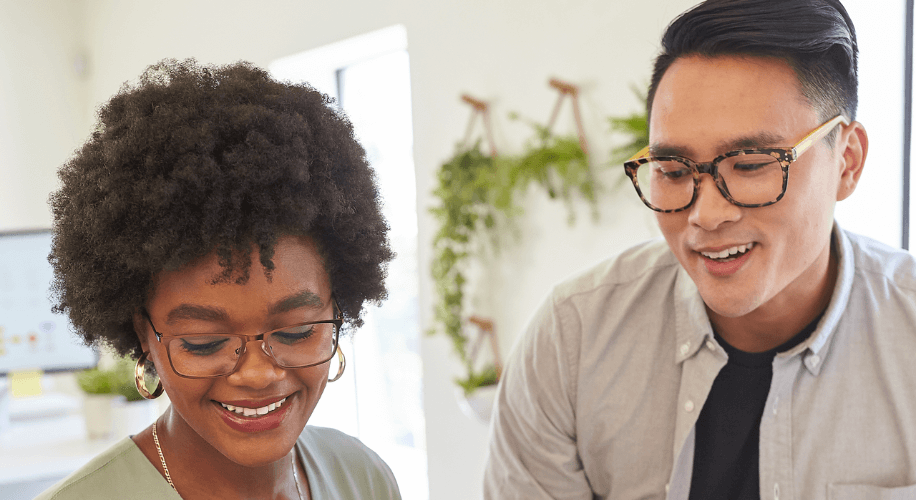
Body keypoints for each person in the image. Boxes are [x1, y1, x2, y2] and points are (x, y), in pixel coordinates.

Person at [485, 0, 916, 498]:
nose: (706, 216)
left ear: (847, 161)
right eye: (672, 171)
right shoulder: (573, 340)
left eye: (751, 164)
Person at [37, 59, 401, 500]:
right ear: (144, 335)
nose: (257, 374)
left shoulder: (361, 478)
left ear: (336, 312)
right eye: (203, 342)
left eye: (296, 331)